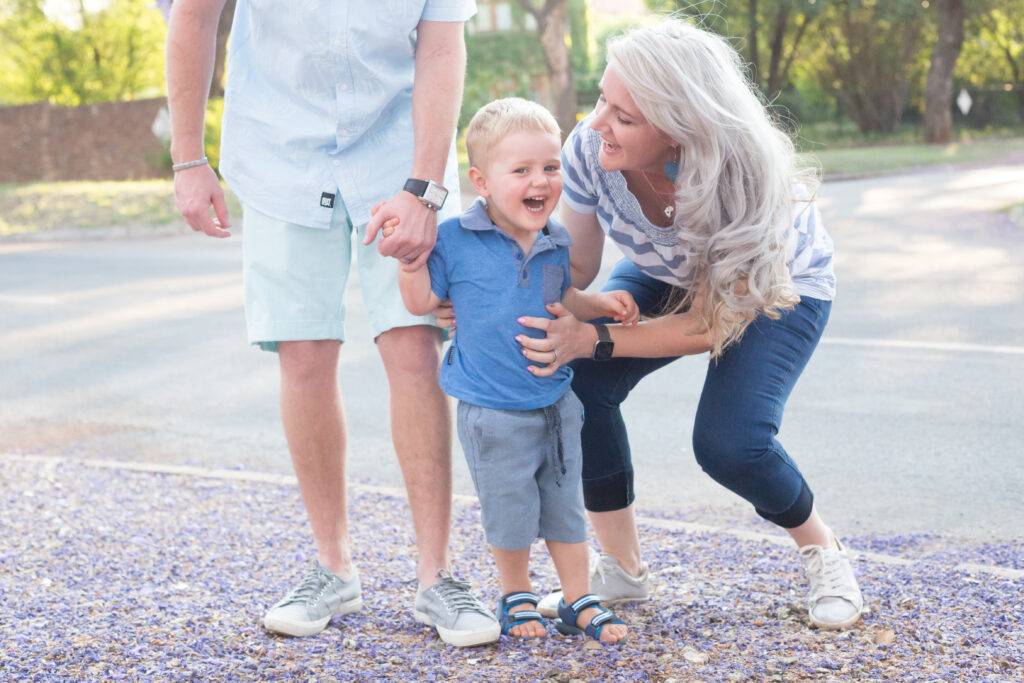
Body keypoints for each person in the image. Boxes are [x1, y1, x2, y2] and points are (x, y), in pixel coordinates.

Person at [165, 0, 502, 647]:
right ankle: (332, 565)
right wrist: (188, 158)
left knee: (413, 344)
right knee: (303, 352)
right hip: (279, 150)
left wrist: (426, 189)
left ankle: (437, 576)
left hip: (402, 149)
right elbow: (193, 15)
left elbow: (441, 48)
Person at [517, 19, 867, 631]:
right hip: (666, 269)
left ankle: (824, 550)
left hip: (773, 288)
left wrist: (594, 337)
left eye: (623, 116)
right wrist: (487, 282)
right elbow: (572, 270)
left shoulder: (743, 182)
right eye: (603, 98)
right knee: (578, 386)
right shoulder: (589, 149)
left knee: (730, 445)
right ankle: (622, 570)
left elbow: (711, 323)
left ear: (679, 131)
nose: (597, 121)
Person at [390, 98, 635, 643]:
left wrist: (600, 304)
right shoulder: (453, 237)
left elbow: (562, 297)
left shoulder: (556, 240)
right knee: (511, 510)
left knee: (565, 503)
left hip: (555, 402)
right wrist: (409, 259)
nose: (540, 182)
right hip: (492, 409)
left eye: (549, 168)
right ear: (482, 180)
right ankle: (516, 595)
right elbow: (420, 301)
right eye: (521, 170)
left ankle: (578, 600)